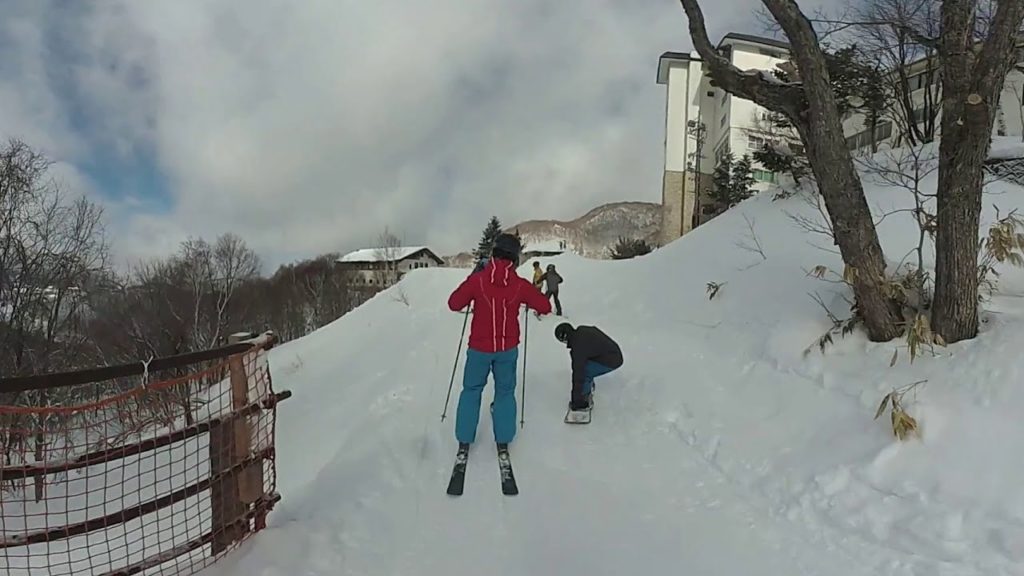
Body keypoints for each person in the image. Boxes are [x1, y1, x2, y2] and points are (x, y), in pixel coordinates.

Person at [447, 233, 552, 448]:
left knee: (471, 390)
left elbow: (454, 303)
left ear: (493, 254)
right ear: (515, 259)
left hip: (478, 349)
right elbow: (545, 306)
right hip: (507, 350)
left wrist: (473, 277)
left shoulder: (478, 280)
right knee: (505, 392)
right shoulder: (520, 285)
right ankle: (504, 437)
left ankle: (465, 437)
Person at [554, 322, 623, 411]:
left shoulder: (578, 347)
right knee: (585, 365)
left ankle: (583, 399)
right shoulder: (582, 331)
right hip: (612, 353)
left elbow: (578, 374)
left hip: (612, 360)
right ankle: (586, 387)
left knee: (585, 372)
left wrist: (577, 400)